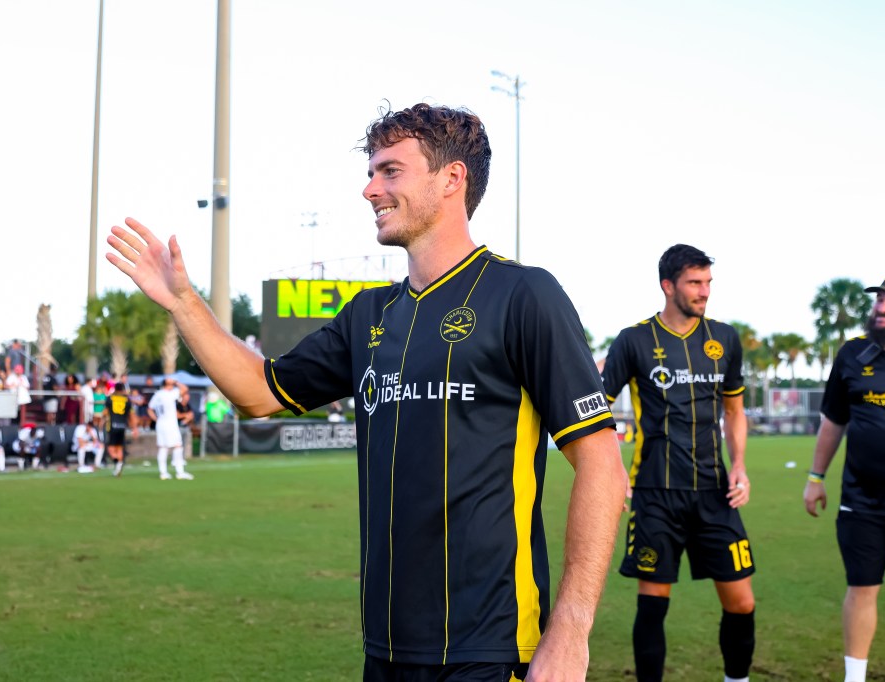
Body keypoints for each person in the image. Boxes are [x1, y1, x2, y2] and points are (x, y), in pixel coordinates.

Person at [107, 102, 627, 681]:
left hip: (490, 647)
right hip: (386, 648)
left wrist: (570, 630)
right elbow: (259, 392)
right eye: (371, 172)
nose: (370, 189)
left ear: (451, 178)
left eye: (390, 171)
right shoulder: (368, 316)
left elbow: (602, 465)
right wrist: (184, 303)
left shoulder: (523, 295)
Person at [600, 244, 755, 682]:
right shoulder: (634, 340)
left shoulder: (724, 339)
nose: (704, 291)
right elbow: (598, 407)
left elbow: (735, 411)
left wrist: (740, 466)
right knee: (653, 604)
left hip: (716, 493)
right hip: (656, 493)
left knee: (742, 602)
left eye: (708, 282)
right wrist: (613, 469)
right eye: (694, 283)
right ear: (668, 286)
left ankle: (737, 679)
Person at [804, 271, 885, 682]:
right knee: (862, 587)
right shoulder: (853, 354)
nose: (882, 308)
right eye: (880, 299)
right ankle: (854, 678)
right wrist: (815, 477)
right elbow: (834, 421)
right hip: (863, 501)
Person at [147, 378, 194, 481]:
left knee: (163, 447)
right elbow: (185, 389)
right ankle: (180, 472)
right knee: (178, 446)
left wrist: (156, 419)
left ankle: (163, 473)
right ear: (168, 384)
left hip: (161, 424)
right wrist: (176, 382)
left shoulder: (157, 394)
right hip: (170, 424)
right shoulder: (169, 394)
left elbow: (150, 409)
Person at [106, 381, 138, 477]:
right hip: (122, 426)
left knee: (110, 448)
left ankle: (117, 462)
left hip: (112, 425)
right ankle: (119, 466)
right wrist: (134, 428)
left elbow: (105, 412)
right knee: (119, 447)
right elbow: (132, 415)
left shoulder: (110, 398)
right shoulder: (127, 400)